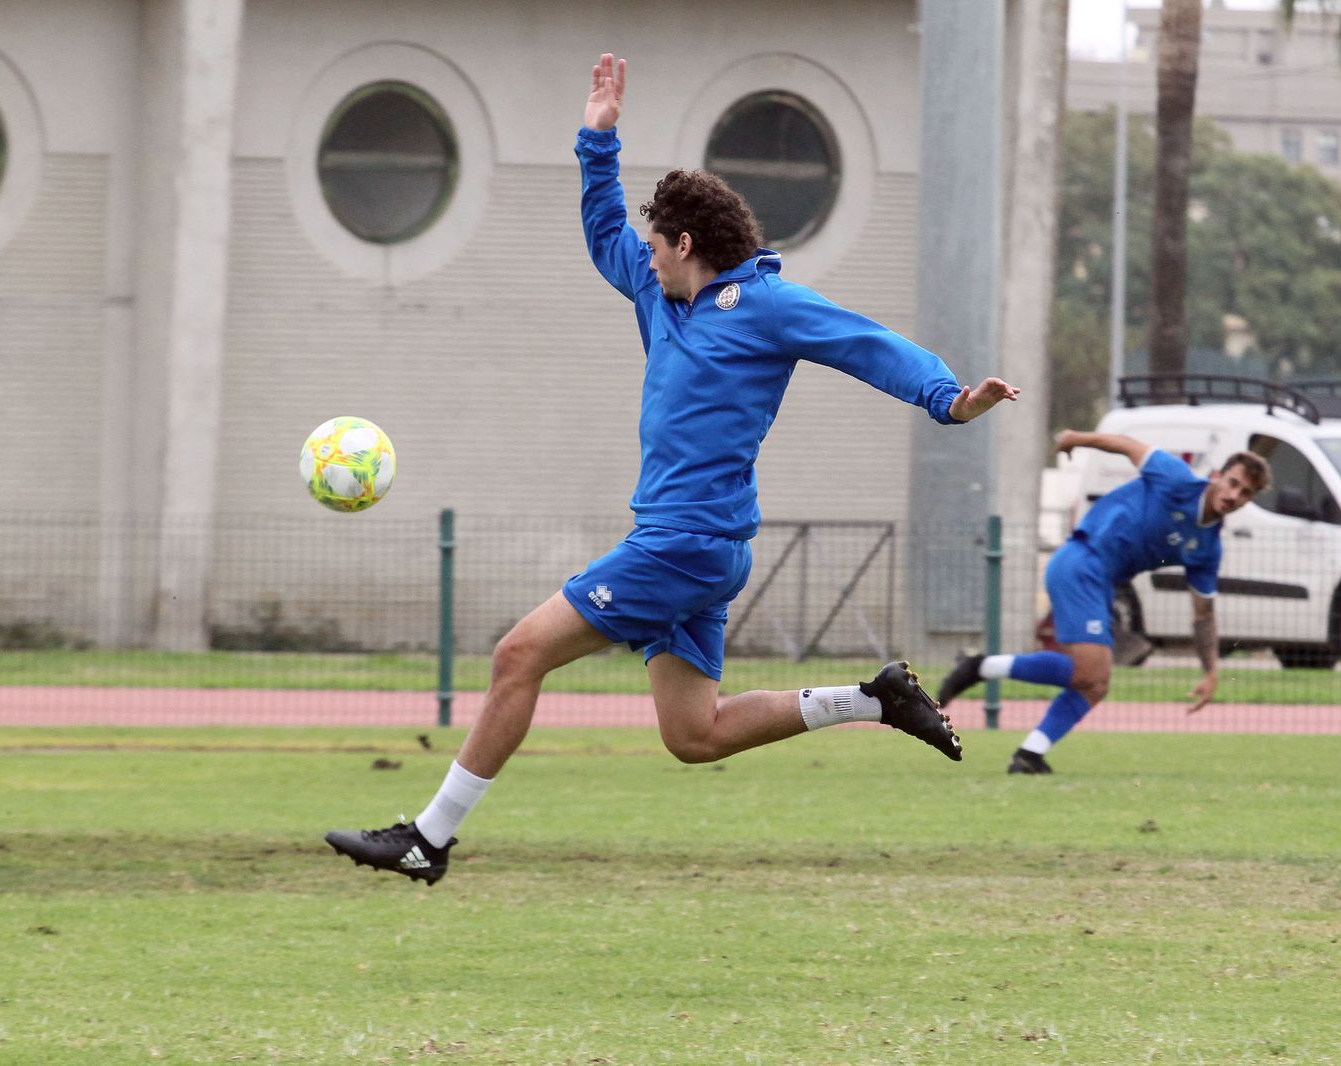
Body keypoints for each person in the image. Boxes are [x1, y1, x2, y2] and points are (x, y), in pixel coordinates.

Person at [325, 53, 1020, 885]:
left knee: (518, 655)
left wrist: (948, 399)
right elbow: (601, 229)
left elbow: (870, 345)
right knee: (696, 736)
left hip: (686, 545)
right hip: (695, 545)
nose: (642, 255)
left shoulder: (765, 305)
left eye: (655, 245)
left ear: (685, 245)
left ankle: (427, 839)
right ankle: (874, 700)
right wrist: (597, 138)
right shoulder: (660, 295)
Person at [936, 429, 1270, 773]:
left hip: (1101, 581)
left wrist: (1212, 670)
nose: (1234, 495)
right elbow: (1127, 445)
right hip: (1083, 561)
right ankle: (980, 670)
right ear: (1216, 476)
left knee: (1094, 683)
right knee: (1092, 673)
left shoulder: (1208, 548)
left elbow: (1203, 614)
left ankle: (1028, 753)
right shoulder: (1176, 478)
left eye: (1245, 492)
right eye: (1232, 483)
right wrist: (1074, 438)